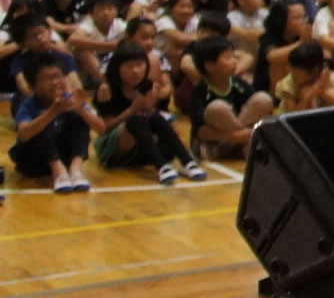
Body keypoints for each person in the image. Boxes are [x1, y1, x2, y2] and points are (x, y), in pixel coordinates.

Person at [92, 41, 195, 182]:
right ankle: (161, 166)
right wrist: (132, 110)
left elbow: (151, 121)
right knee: (136, 119)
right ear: (117, 67)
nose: (135, 71)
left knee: (155, 117)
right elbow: (103, 128)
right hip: (112, 147)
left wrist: (150, 105)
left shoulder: (147, 86)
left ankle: (187, 161)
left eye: (139, 65)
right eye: (129, 66)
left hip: (140, 145)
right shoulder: (107, 89)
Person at [12, 52, 99, 192]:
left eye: (58, 76)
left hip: (64, 156)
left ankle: (75, 169)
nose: (55, 82)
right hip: (33, 160)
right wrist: (53, 111)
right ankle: (58, 171)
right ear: (32, 86)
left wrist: (81, 110)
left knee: (78, 118)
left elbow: (101, 128)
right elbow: (23, 133)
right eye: (47, 79)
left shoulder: (70, 99)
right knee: (42, 120)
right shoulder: (29, 104)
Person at [184, 36, 270, 162]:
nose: (234, 61)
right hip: (214, 140)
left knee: (263, 99)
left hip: (231, 140)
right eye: (228, 58)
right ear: (210, 66)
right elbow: (201, 132)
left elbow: (255, 110)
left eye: (234, 57)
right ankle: (234, 146)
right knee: (217, 108)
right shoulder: (200, 92)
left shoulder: (238, 84)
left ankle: (228, 148)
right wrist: (236, 136)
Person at [274, 40, 334, 115]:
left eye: (297, 74)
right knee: (305, 92)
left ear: (314, 71)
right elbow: (291, 116)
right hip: (297, 122)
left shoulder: (331, 77)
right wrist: (309, 97)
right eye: (292, 72)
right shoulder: (288, 83)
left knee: (330, 91)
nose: (294, 77)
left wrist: (323, 92)